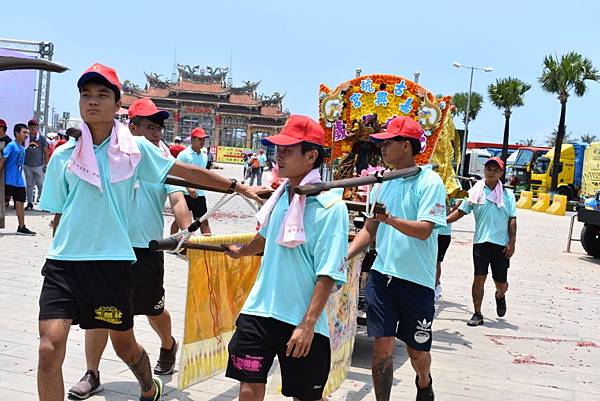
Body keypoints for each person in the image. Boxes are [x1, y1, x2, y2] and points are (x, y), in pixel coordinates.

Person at [37, 62, 265, 401]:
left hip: (112, 263)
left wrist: (238, 186)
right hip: (65, 263)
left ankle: (148, 385)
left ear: (117, 106)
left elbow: (185, 173)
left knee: (125, 345)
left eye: (102, 95)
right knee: (48, 349)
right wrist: (62, 243)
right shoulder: (64, 156)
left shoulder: (136, 150)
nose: (92, 101)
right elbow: (59, 212)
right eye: (86, 95)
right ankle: (92, 373)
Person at [67, 97, 194, 399]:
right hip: (109, 249)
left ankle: (167, 343)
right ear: (131, 127)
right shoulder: (107, 157)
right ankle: (92, 372)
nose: (156, 133)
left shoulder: (160, 160)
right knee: (99, 314)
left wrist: (187, 230)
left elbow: (178, 200)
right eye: (149, 126)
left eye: (160, 128)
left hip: (146, 249)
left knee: (153, 310)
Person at [224, 115, 349, 401]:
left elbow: (328, 273)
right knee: (248, 389)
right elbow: (268, 235)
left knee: (306, 397)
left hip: (301, 320)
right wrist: (241, 251)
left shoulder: (331, 208)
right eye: (277, 149)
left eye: (287, 150)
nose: (278, 156)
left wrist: (306, 325)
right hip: (259, 312)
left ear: (311, 156)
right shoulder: (282, 195)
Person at [348, 116, 446, 401]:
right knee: (382, 346)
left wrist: (389, 219)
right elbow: (369, 229)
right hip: (382, 276)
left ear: (405, 146)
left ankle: (424, 382)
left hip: (417, 280)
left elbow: (425, 231)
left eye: (387, 143)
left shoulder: (430, 182)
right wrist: (346, 257)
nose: (382, 148)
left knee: (417, 352)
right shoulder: (381, 183)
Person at [446, 157, 517, 327]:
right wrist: (443, 221)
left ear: (500, 173)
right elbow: (462, 211)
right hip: (481, 243)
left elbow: (512, 219)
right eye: (488, 168)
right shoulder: (475, 192)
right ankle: (477, 313)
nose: (491, 172)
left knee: (501, 283)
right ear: (484, 171)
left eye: (495, 169)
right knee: (479, 278)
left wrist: (512, 242)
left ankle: (500, 295)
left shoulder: (508, 195)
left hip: (501, 244)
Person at [0, 123, 36, 235]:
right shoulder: (11, 145)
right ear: (16, 133)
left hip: (19, 182)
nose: (26, 135)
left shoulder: (22, 148)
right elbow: (2, 160)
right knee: (2, 203)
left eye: (27, 133)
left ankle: (21, 227)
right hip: (8, 180)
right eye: (24, 132)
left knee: (20, 202)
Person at [175, 127, 211, 234]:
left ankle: (208, 248)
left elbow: (203, 174)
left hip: (200, 194)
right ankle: (172, 244)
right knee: (179, 220)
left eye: (204, 139)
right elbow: (177, 173)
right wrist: (188, 187)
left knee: (203, 220)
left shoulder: (204, 156)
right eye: (200, 139)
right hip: (185, 193)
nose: (202, 142)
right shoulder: (184, 154)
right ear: (192, 140)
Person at [435, 198, 463, 302]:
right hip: (429, 230)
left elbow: (460, 200)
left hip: (443, 232)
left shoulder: (453, 182)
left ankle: (435, 287)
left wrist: (447, 212)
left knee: (437, 262)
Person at [24, 118, 49, 210]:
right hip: (27, 165)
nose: (33, 128)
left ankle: (44, 204)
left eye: (34, 126)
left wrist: (45, 164)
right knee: (29, 185)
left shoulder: (41, 139)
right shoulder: (25, 138)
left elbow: (46, 152)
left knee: (40, 184)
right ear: (28, 128)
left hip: (39, 166)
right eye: (31, 127)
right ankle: (29, 203)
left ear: (37, 127)